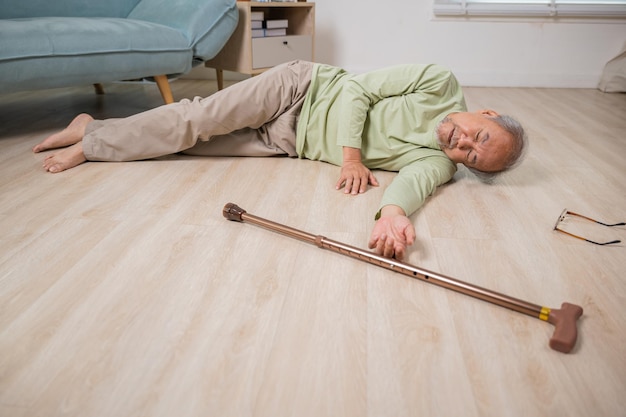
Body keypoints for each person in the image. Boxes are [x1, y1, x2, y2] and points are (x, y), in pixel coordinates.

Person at [33, 60, 527, 261]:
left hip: (288, 143)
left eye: (471, 155)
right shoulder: (439, 82)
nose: (463, 143)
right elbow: (356, 87)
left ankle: (89, 128)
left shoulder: (440, 162)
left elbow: (412, 187)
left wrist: (392, 216)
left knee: (182, 144)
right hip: (300, 89)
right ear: (483, 112)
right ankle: (91, 141)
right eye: (477, 133)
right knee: (196, 120)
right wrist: (351, 158)